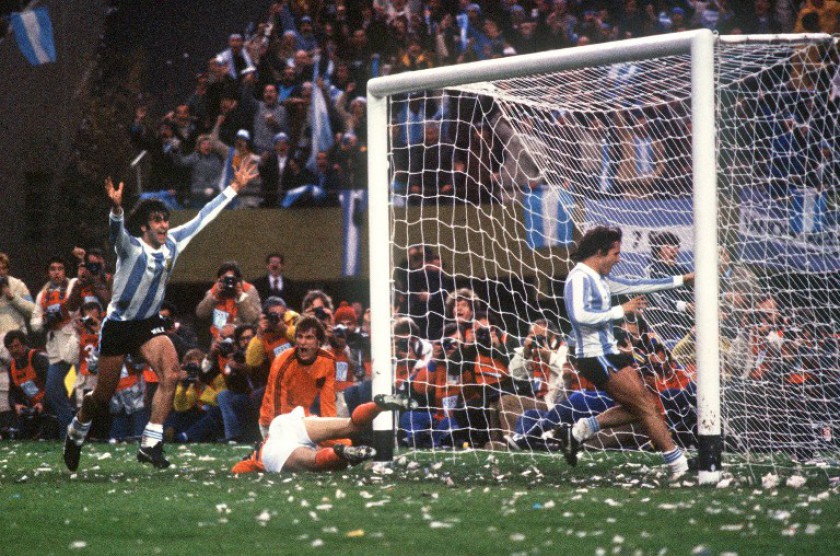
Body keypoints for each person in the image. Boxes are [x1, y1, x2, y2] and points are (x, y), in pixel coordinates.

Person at [63, 160, 258, 472]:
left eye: (166, 220)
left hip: (148, 324)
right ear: (144, 226)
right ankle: (76, 432)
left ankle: (151, 443)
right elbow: (116, 234)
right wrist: (116, 210)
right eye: (157, 221)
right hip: (118, 326)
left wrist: (234, 188)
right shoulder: (131, 248)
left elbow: (203, 216)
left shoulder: (174, 243)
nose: (164, 225)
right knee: (101, 397)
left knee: (171, 373)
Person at [557, 225, 695, 480]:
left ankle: (581, 430)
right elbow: (579, 316)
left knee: (642, 406)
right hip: (594, 355)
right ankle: (679, 465)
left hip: (609, 352)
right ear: (600, 252)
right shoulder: (579, 278)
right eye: (616, 254)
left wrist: (683, 279)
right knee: (645, 406)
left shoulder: (600, 279)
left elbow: (639, 283)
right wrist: (622, 309)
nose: (619, 260)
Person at [231, 393, 415, 473]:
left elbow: (237, 469)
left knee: (315, 461)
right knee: (351, 425)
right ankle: (378, 406)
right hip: (285, 423)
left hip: (274, 454)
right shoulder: (271, 435)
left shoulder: (258, 458)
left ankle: (340, 453)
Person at [258, 316, 338, 438]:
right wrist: (279, 435)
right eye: (300, 337)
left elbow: (328, 403)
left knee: (341, 444)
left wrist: (331, 433)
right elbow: (277, 409)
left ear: (319, 343)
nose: (303, 342)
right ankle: (258, 453)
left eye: (309, 337)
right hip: (273, 422)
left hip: (302, 419)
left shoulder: (328, 361)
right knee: (292, 452)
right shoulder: (282, 362)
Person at [30, 256, 79, 439]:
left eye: (60, 268)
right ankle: (69, 432)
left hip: (76, 341)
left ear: (65, 271)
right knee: (52, 390)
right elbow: (34, 323)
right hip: (55, 349)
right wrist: (45, 320)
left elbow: (77, 306)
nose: (56, 272)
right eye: (52, 269)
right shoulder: (42, 295)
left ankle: (88, 433)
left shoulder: (73, 285)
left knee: (81, 391)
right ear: (48, 272)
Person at [3, 330, 54, 439]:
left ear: (24, 345)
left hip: (48, 404)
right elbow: (12, 392)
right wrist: (16, 405)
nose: (14, 350)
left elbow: (51, 385)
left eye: (16, 346)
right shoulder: (11, 366)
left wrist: (42, 403)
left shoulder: (37, 358)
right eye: (10, 348)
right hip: (30, 407)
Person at [195, 261, 261, 340]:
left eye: (232, 279)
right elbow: (201, 313)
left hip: (242, 340)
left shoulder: (249, 290)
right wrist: (215, 296)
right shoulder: (214, 291)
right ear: (219, 279)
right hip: (219, 339)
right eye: (225, 280)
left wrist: (240, 296)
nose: (229, 283)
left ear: (238, 279)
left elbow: (252, 319)